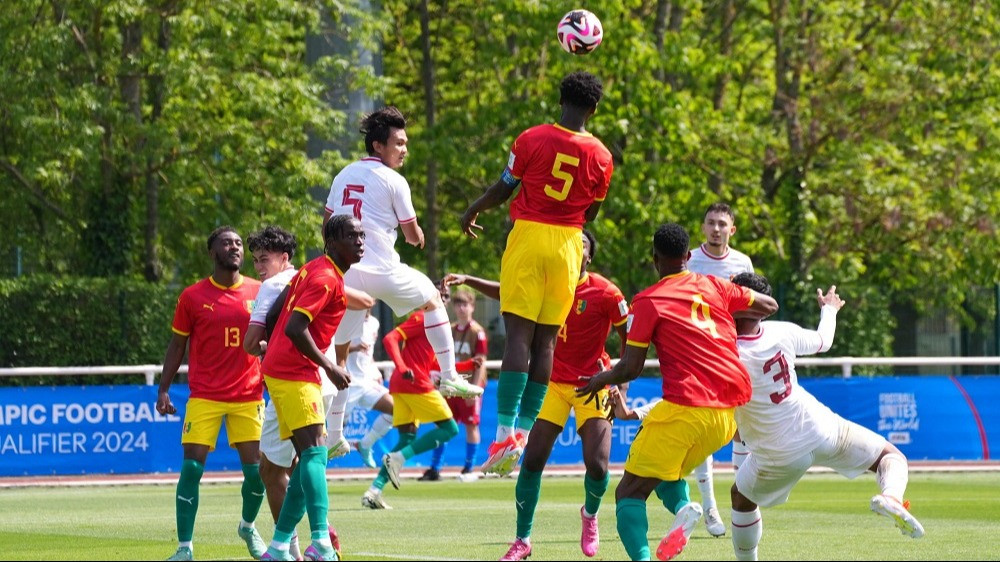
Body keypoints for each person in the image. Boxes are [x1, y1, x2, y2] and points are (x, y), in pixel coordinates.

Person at [575, 223, 779, 562]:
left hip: (687, 409)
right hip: (726, 419)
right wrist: (732, 318)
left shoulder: (649, 301)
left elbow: (630, 368)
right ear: (688, 257)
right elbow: (769, 305)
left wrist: (600, 379)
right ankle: (684, 507)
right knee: (663, 474)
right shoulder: (717, 286)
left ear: (655, 259)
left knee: (629, 492)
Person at [459, 71, 614, 476]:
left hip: (528, 236)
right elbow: (592, 211)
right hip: (568, 245)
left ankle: (504, 431)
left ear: (560, 99)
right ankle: (524, 435)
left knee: (518, 337)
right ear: (594, 109)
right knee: (546, 343)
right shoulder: (602, 156)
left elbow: (503, 187)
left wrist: (474, 207)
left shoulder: (531, 138)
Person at [444, 229, 629, 561]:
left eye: (582, 246)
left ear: (588, 256)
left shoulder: (606, 292)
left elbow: (629, 333)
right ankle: (522, 540)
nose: (575, 248)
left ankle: (589, 515)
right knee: (531, 462)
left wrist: (621, 381)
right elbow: (508, 292)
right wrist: (469, 280)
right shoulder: (547, 282)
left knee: (598, 466)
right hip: (552, 384)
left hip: (591, 382)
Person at [728, 273, 924, 561]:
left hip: (777, 453)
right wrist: (829, 308)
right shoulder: (781, 331)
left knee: (741, 498)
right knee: (890, 457)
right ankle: (891, 496)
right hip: (819, 428)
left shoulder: (724, 352)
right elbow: (824, 340)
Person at [324, 106, 482, 403]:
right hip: (383, 271)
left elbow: (327, 227)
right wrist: (419, 236)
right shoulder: (393, 180)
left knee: (340, 358)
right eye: (399, 143)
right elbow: (412, 236)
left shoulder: (342, 175)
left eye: (405, 143)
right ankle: (448, 377)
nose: (404, 149)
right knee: (433, 300)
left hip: (347, 276)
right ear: (378, 146)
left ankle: (333, 436)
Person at [243, 225, 372, 559]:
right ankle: (321, 542)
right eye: (352, 237)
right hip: (296, 371)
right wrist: (329, 366)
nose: (360, 242)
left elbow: (277, 313)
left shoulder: (312, 269)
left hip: (285, 369)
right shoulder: (325, 277)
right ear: (332, 242)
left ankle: (278, 546)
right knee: (315, 453)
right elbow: (294, 327)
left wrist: (271, 348)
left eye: (362, 237)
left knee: (303, 462)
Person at [155, 226, 266, 562]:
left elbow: (274, 338)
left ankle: (247, 526)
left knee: (258, 473)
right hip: (204, 395)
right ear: (212, 252)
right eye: (226, 243)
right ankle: (185, 547)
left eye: (237, 244)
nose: (234, 247)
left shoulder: (260, 291)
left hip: (249, 395)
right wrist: (163, 389)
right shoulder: (192, 296)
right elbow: (177, 345)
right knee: (191, 469)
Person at [360, 288, 483, 509]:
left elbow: (433, 364)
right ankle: (397, 459)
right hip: (414, 384)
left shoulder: (436, 326)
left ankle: (374, 491)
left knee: (406, 439)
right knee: (450, 429)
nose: (443, 300)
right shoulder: (422, 317)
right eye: (440, 295)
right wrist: (402, 366)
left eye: (445, 296)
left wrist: (466, 366)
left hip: (402, 384)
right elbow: (391, 338)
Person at [685, 201, 756, 538]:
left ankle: (744, 499)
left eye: (722, 224)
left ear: (732, 229)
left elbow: (750, 306)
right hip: (697, 353)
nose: (716, 228)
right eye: (711, 222)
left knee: (740, 425)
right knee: (703, 430)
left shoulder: (743, 262)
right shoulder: (689, 261)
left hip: (732, 352)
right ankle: (710, 505)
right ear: (703, 227)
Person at [420, 288, 489, 481]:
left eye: (465, 304)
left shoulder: (478, 332)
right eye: (458, 304)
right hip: (449, 385)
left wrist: (474, 390)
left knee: (471, 425)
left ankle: (468, 467)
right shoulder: (448, 329)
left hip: (467, 385)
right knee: (443, 424)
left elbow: (481, 362)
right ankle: (435, 467)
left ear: (472, 307)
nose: (461, 308)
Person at [342, 307, 396, 469]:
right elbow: (334, 350)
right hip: (346, 383)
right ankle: (314, 471)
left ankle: (365, 444)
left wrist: (373, 370)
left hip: (366, 381)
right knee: (332, 433)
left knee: (396, 409)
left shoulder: (374, 323)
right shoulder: (345, 320)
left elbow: (368, 352)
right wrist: (354, 348)